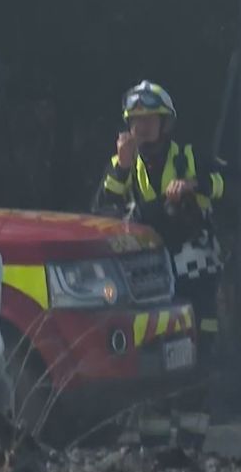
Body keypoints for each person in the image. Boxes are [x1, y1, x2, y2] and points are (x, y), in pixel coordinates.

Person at [91, 80, 227, 360]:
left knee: (200, 315)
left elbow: (232, 184)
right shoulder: (120, 164)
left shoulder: (188, 155)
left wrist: (193, 185)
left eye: (149, 120)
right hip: (145, 261)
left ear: (164, 124)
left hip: (190, 256)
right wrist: (122, 168)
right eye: (136, 121)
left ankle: (206, 361)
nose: (141, 128)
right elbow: (101, 212)